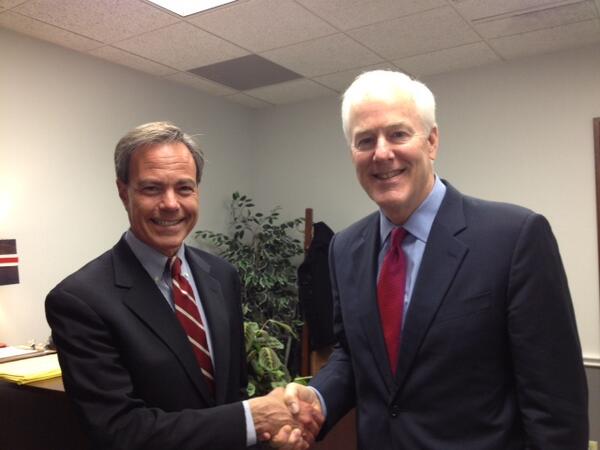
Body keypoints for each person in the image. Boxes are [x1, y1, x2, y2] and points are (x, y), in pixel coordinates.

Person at [285, 70, 589, 449]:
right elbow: (353, 353)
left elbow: (556, 407)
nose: (382, 153)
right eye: (365, 140)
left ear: (431, 141)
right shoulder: (344, 248)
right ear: (353, 154)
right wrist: (318, 397)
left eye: (398, 134)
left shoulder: (514, 238)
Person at [45, 121, 321, 450]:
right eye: (152, 188)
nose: (171, 204)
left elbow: (231, 394)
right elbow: (119, 431)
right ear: (123, 192)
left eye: (184, 188)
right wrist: (253, 420)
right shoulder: (79, 300)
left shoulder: (222, 276)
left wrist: (265, 436)